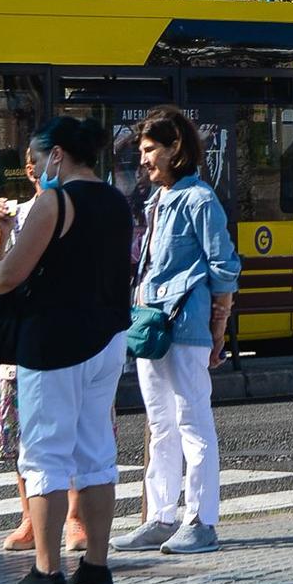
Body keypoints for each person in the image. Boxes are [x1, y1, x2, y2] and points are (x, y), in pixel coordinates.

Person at [0, 116, 133, 584]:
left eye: (38, 160)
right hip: (107, 340)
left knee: (44, 457)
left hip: (55, 343)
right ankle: (96, 568)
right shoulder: (116, 202)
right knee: (97, 455)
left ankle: (46, 571)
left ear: (57, 155)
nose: (36, 171)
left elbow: (12, 273)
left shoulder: (53, 202)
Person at [113, 106, 240, 556]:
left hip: (185, 326)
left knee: (193, 422)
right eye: (142, 151)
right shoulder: (157, 199)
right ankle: (160, 517)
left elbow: (223, 266)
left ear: (175, 149)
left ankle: (201, 521)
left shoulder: (198, 199)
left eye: (151, 150)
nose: (143, 159)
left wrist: (219, 329)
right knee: (161, 424)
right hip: (152, 325)